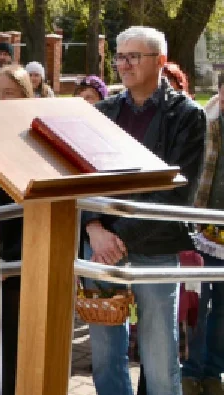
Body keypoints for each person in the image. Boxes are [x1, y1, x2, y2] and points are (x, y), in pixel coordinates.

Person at [83, 26, 205, 395]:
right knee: (104, 359)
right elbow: (82, 177)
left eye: (134, 56)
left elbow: (179, 191)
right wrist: (93, 229)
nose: (124, 64)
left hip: (155, 248)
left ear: (161, 61)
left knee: (159, 358)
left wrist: (116, 237)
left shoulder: (186, 115)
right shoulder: (102, 112)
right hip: (100, 246)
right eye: (120, 56)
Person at [0, 63, 33, 395]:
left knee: (13, 342)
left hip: (16, 260)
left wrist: (9, 260)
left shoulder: (30, 135)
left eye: (8, 93)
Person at [186, 73, 224, 395]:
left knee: (223, 307)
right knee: (199, 301)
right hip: (201, 229)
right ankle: (191, 371)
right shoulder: (204, 122)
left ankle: (214, 373)